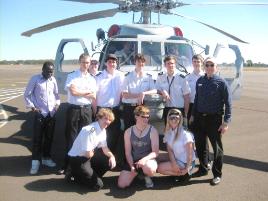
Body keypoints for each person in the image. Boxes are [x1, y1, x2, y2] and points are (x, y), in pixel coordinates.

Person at [190, 57, 232, 186]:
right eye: (207, 65)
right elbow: (197, 99)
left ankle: (217, 174)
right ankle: (203, 168)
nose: (209, 67)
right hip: (199, 118)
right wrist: (193, 116)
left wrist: (226, 122)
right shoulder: (200, 81)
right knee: (201, 146)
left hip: (214, 120)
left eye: (211, 65)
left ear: (216, 67)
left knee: (217, 148)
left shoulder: (221, 82)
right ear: (204, 66)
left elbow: (228, 103)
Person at [61, 53, 97, 174]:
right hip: (74, 109)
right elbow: (73, 92)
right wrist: (86, 93)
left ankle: (82, 165)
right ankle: (68, 165)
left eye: (88, 63)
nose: (85, 65)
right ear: (79, 62)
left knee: (85, 138)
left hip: (87, 110)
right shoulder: (72, 75)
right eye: (83, 62)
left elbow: (94, 95)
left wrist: (80, 92)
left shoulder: (92, 79)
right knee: (71, 138)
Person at [24, 61, 60, 174]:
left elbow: (56, 94)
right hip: (40, 113)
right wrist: (32, 107)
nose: (50, 74)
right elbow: (27, 94)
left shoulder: (53, 80)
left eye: (52, 72)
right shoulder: (35, 79)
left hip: (51, 114)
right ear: (42, 70)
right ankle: (35, 162)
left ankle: (46, 158)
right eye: (48, 71)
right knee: (37, 139)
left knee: (49, 138)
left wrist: (57, 104)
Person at [68, 108, 116, 190]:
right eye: (106, 118)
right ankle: (73, 172)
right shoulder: (89, 130)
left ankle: (89, 176)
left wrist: (112, 157)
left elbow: (105, 148)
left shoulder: (103, 130)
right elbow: (88, 154)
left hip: (89, 157)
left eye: (110, 120)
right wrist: (93, 153)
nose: (108, 122)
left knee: (108, 160)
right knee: (98, 185)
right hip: (78, 159)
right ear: (99, 118)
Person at [117, 106, 159, 189]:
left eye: (148, 117)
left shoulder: (153, 131)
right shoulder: (128, 132)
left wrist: (144, 160)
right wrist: (132, 166)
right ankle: (138, 173)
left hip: (147, 160)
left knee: (149, 169)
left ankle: (146, 176)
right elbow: (128, 152)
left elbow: (155, 152)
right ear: (136, 116)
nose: (146, 119)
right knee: (121, 185)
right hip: (134, 161)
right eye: (143, 117)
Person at [95, 54, 125, 166]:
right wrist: (95, 111)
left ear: (116, 63)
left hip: (115, 110)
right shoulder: (99, 76)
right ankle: (99, 159)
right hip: (103, 110)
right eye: (110, 62)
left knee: (114, 135)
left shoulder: (121, 76)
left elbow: (123, 93)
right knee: (100, 135)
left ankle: (110, 159)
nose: (112, 64)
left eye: (114, 62)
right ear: (106, 63)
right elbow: (95, 95)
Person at [186, 54, 212, 171]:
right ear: (192, 63)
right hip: (192, 108)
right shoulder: (187, 78)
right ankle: (193, 161)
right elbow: (186, 96)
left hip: (203, 109)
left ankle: (206, 162)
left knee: (203, 137)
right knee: (192, 136)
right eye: (194, 61)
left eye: (198, 61)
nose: (196, 63)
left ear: (202, 63)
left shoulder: (206, 76)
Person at [157, 109, 196, 181]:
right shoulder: (168, 132)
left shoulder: (186, 134)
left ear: (180, 119)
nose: (174, 120)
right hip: (176, 157)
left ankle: (183, 174)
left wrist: (187, 168)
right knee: (156, 157)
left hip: (185, 162)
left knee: (159, 168)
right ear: (168, 119)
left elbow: (190, 154)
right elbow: (170, 150)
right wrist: (174, 163)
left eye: (176, 118)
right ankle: (175, 170)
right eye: (172, 118)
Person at [121, 54, 157, 130]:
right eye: (139, 61)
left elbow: (154, 90)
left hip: (142, 107)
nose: (141, 64)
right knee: (129, 130)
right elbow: (125, 95)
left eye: (143, 62)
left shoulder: (148, 77)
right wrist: (138, 95)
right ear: (135, 62)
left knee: (141, 130)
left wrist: (143, 93)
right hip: (129, 108)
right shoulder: (128, 76)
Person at [156, 55, 190, 126]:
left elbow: (186, 97)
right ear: (165, 65)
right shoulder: (160, 77)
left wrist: (185, 114)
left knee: (179, 134)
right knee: (168, 133)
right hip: (166, 109)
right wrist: (163, 92)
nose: (170, 65)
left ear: (175, 64)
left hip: (179, 109)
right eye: (168, 63)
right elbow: (156, 90)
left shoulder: (182, 78)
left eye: (172, 63)